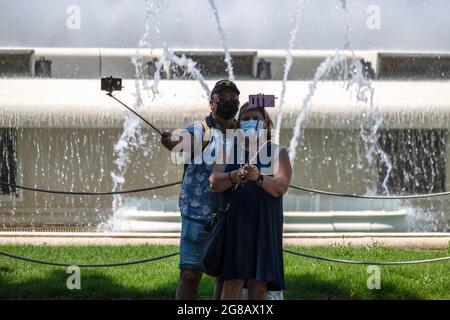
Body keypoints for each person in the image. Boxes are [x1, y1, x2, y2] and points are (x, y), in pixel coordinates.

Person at [161, 80, 240, 300]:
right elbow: (183, 141)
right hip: (197, 215)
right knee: (189, 275)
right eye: (222, 98)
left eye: (233, 99)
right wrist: (173, 141)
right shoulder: (200, 128)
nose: (228, 102)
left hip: (230, 216)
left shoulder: (244, 132)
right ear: (211, 103)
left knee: (225, 277)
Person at [209, 102, 292, 300]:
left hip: (264, 225)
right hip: (234, 225)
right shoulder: (228, 150)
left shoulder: (278, 152)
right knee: (232, 281)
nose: (250, 122)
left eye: (256, 118)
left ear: (265, 123)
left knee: (259, 284)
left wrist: (259, 177)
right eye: (245, 118)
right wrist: (234, 175)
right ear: (238, 124)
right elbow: (214, 182)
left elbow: (281, 186)